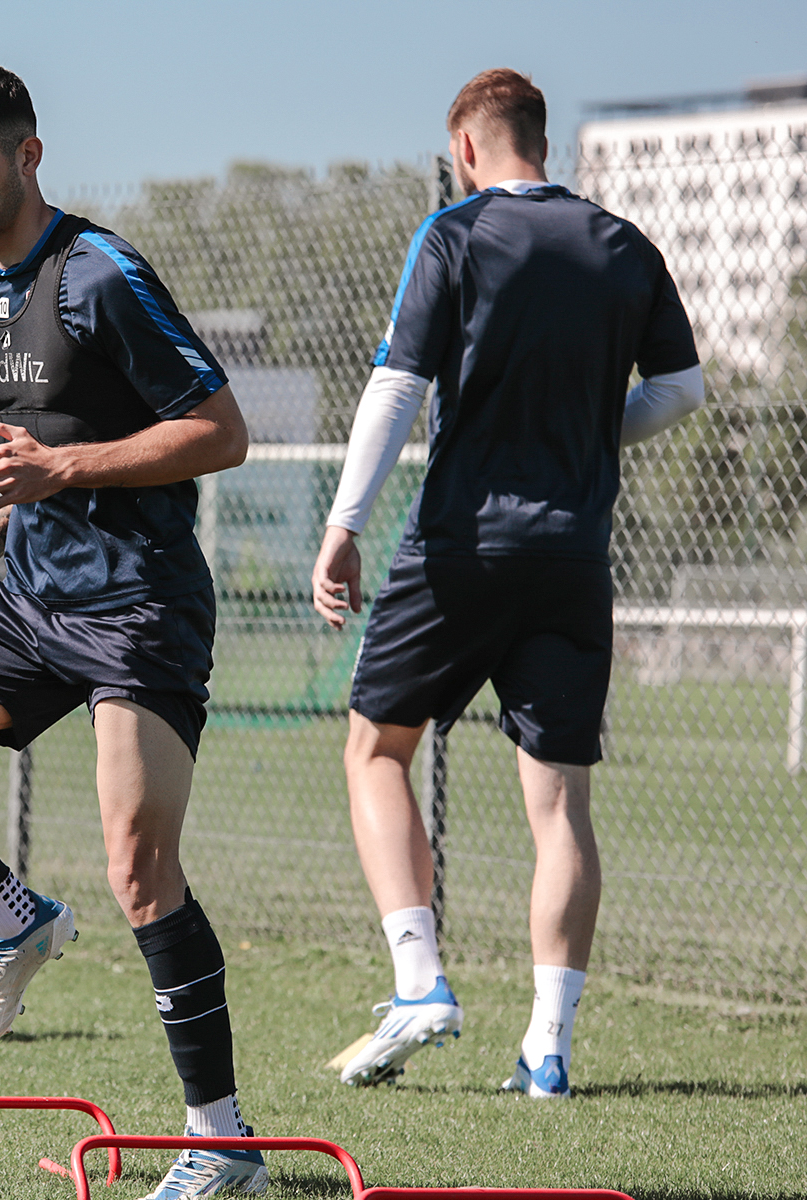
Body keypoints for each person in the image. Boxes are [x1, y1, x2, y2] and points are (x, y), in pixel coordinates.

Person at [0, 63, 267, 1198]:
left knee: (139, 870)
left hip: (137, 608)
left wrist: (63, 465)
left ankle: (221, 1144)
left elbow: (220, 432)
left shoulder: (100, 274)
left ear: (28, 154)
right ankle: (10, 919)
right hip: (28, 597)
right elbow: (30, 461)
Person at [310, 69, 703, 1098]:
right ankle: (548, 1049)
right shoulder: (624, 245)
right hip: (573, 555)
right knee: (559, 805)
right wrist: (585, 443)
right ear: (543, 140)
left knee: (374, 749)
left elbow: (397, 384)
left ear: (470, 149)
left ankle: (418, 982)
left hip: (461, 545)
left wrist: (344, 523)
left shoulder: (455, 232)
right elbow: (681, 388)